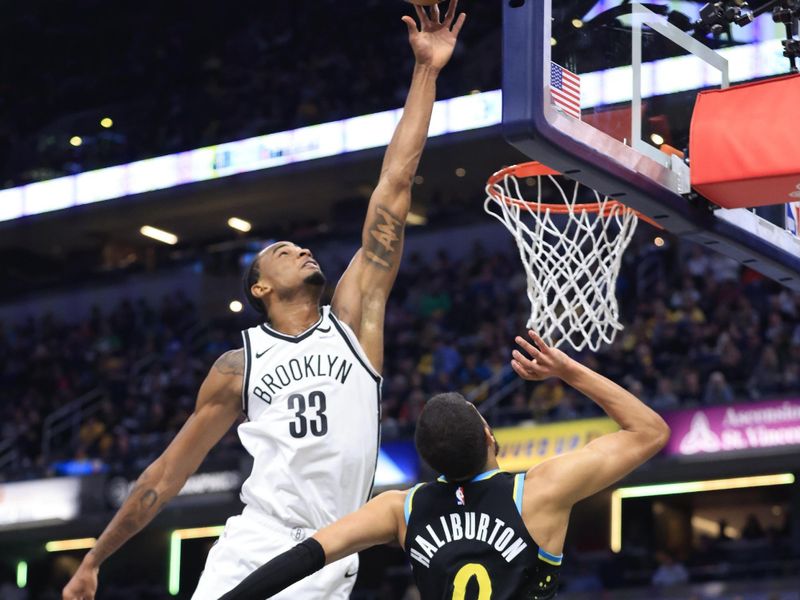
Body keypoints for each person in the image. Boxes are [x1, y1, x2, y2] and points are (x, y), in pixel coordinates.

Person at [62, 3, 466, 599]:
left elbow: (395, 186)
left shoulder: (354, 320)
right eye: (283, 250)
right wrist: (93, 561)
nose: (301, 250)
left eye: (300, 245)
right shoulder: (237, 366)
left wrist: (427, 72)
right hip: (257, 544)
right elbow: (168, 474)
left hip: (334, 552)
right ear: (259, 288)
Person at [220, 331, 671, 599]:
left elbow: (307, 555)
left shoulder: (402, 509)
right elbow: (649, 431)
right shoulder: (538, 492)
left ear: (427, 461)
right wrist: (568, 370)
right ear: (491, 437)